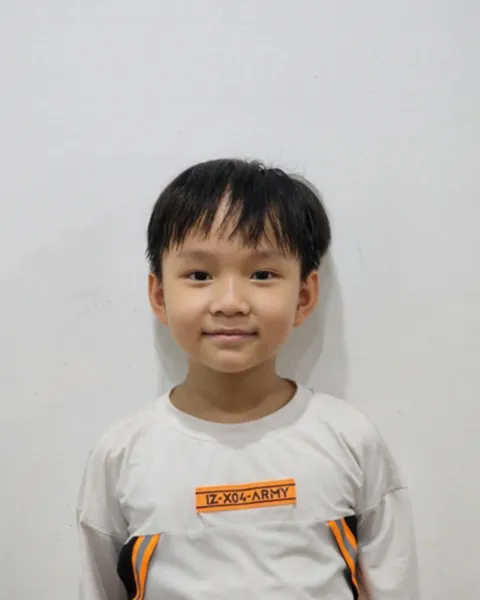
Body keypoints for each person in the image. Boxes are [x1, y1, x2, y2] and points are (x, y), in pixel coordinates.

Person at [77, 158, 419, 599]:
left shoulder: (349, 439)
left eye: (262, 274)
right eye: (200, 275)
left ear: (304, 296)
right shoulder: (123, 454)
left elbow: (394, 581)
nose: (230, 302)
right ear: (159, 295)